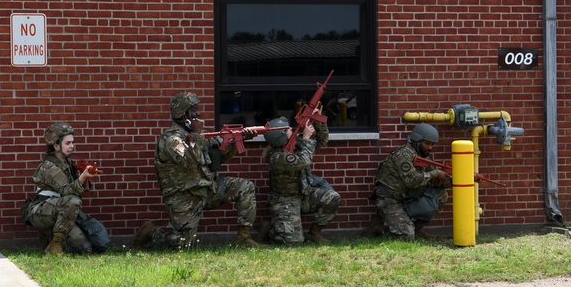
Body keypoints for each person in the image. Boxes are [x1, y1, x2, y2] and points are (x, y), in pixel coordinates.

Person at [133, 92, 259, 250]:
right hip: (185, 195)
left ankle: (243, 238)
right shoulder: (171, 139)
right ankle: (151, 231)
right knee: (181, 246)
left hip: (207, 189)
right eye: (193, 110)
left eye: (197, 109)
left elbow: (217, 160)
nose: (197, 113)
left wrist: (237, 141)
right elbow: (189, 162)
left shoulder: (200, 134)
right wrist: (198, 135)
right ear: (182, 113)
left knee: (245, 187)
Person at [22, 121, 110, 255]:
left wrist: (84, 172)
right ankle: (55, 244)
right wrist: (82, 178)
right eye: (68, 143)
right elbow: (67, 191)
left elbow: (76, 192)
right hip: (41, 212)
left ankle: (53, 238)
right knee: (73, 202)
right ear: (56, 145)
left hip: (62, 211)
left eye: (72, 142)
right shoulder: (49, 167)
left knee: (98, 244)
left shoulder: (68, 163)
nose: (72, 146)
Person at [261, 114, 340, 244]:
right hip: (285, 201)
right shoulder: (277, 157)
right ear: (280, 136)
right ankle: (272, 230)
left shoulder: (295, 144)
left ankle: (314, 233)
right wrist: (306, 138)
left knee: (332, 197)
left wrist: (318, 121)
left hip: (304, 195)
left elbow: (321, 141)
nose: (291, 130)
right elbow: (304, 161)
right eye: (288, 130)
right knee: (293, 242)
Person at [364, 123, 449, 240]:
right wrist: (435, 173)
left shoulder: (425, 157)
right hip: (390, 200)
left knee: (441, 195)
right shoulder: (402, 155)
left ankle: (416, 229)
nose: (430, 148)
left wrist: (457, 178)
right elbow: (411, 180)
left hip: (409, 199)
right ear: (417, 141)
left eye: (432, 144)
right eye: (427, 143)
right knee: (407, 237)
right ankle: (381, 227)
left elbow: (436, 181)